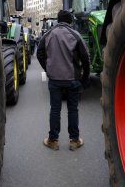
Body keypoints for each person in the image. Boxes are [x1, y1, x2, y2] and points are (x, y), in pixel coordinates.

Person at [37, 10, 90, 151]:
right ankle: (74, 140)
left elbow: (39, 53)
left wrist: (48, 69)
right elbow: (85, 58)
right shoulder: (75, 35)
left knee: (55, 110)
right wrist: (84, 78)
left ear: (58, 20)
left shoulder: (48, 34)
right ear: (70, 21)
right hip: (73, 80)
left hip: (54, 80)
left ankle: (53, 140)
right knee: (73, 109)